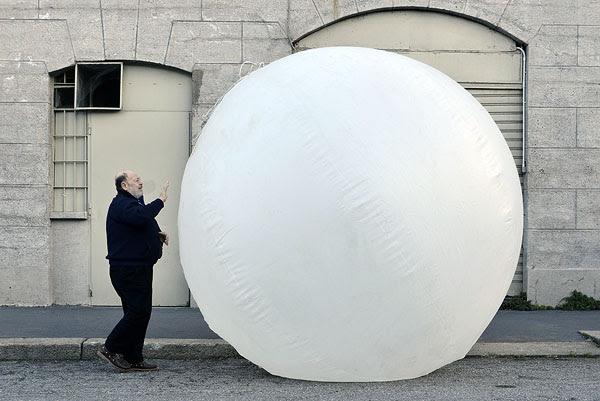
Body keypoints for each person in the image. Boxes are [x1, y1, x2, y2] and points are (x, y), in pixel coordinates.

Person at [97, 170, 169, 372]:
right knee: (138, 311)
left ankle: (134, 357)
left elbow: (139, 225)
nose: (141, 182)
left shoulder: (132, 205)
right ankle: (110, 348)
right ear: (124, 186)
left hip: (139, 268)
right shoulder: (122, 204)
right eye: (136, 180)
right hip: (128, 269)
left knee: (140, 313)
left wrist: (156, 236)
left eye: (140, 179)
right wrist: (161, 200)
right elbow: (140, 218)